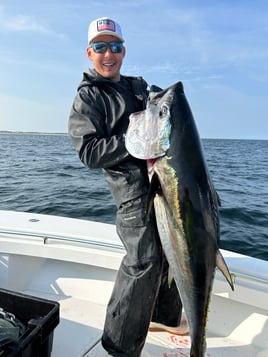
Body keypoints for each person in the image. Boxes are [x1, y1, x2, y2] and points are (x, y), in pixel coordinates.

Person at [68, 17, 188, 357]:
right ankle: (118, 345)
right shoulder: (88, 98)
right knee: (144, 260)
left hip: (162, 183)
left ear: (124, 51)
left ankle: (165, 316)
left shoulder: (138, 87)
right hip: (131, 191)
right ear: (90, 53)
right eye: (101, 47)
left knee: (171, 250)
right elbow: (89, 151)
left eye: (116, 47)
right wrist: (133, 141)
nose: (109, 54)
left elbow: (164, 113)